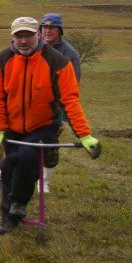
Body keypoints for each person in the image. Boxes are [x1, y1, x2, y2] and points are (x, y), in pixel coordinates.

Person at [0, 17, 100, 234]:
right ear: (12, 37)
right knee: (8, 167)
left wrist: (84, 135)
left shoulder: (58, 61)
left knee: (27, 157)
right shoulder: (1, 60)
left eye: (28, 35)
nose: (24, 40)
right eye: (19, 35)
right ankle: (7, 218)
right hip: (13, 128)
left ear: (37, 34)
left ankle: (17, 204)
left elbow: (70, 100)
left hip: (44, 126)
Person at [39, 12, 82, 192]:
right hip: (30, 106)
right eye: (45, 27)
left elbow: (71, 87)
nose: (47, 31)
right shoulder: (33, 47)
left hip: (53, 109)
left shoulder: (69, 54)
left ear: (60, 30)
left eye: (52, 28)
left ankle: (43, 183)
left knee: (49, 147)